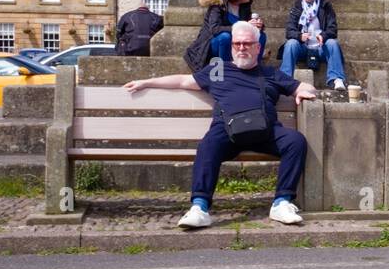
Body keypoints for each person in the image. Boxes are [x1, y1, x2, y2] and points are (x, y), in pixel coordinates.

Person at [127, 21, 316, 229]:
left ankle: (281, 203)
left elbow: (303, 85)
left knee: (295, 141)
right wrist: (146, 82)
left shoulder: (270, 73)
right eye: (237, 44)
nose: (241, 48)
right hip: (227, 132)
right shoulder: (218, 70)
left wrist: (303, 92)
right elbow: (183, 81)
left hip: (266, 131)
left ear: (258, 47)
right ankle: (199, 207)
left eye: (247, 43)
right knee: (208, 145)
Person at [279, 0, 347, 89]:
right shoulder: (297, 6)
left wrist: (324, 36)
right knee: (290, 44)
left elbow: (333, 28)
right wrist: (299, 36)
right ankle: (284, 79)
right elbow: (289, 30)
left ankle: (336, 79)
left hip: (321, 48)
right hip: (303, 48)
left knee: (332, 43)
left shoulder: (325, 6)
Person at [183, 0, 265, 71]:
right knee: (225, 37)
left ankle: (254, 69)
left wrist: (257, 26)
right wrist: (242, 26)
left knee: (261, 36)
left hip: (237, 42)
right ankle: (226, 71)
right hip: (213, 44)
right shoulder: (218, 4)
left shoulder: (244, 6)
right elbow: (215, 29)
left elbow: (248, 26)